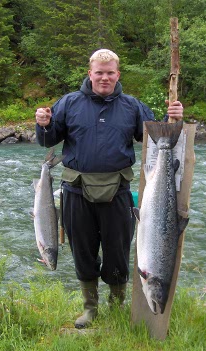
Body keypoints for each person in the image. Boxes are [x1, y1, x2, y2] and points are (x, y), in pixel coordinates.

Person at [35, 49, 183, 329]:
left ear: (118, 74)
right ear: (90, 73)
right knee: (83, 251)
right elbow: (48, 140)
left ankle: (117, 307)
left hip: (118, 191)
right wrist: (43, 125)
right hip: (76, 191)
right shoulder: (69, 103)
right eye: (99, 72)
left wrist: (171, 116)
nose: (105, 77)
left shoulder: (133, 106)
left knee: (117, 251)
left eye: (110, 72)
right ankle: (90, 308)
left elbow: (156, 137)